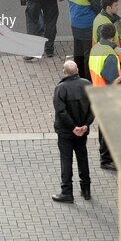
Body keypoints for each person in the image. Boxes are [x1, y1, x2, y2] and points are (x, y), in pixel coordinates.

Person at [52, 60, 93, 203]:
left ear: (64, 72)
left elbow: (61, 111)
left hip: (66, 132)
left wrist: (73, 127)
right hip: (83, 131)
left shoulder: (61, 88)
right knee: (83, 158)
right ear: (77, 71)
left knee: (66, 160)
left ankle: (67, 192)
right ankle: (86, 189)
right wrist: (86, 125)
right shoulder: (87, 84)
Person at [88, 22, 121, 171]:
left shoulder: (96, 49)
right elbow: (112, 78)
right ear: (113, 36)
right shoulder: (109, 54)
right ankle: (106, 159)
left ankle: (105, 157)